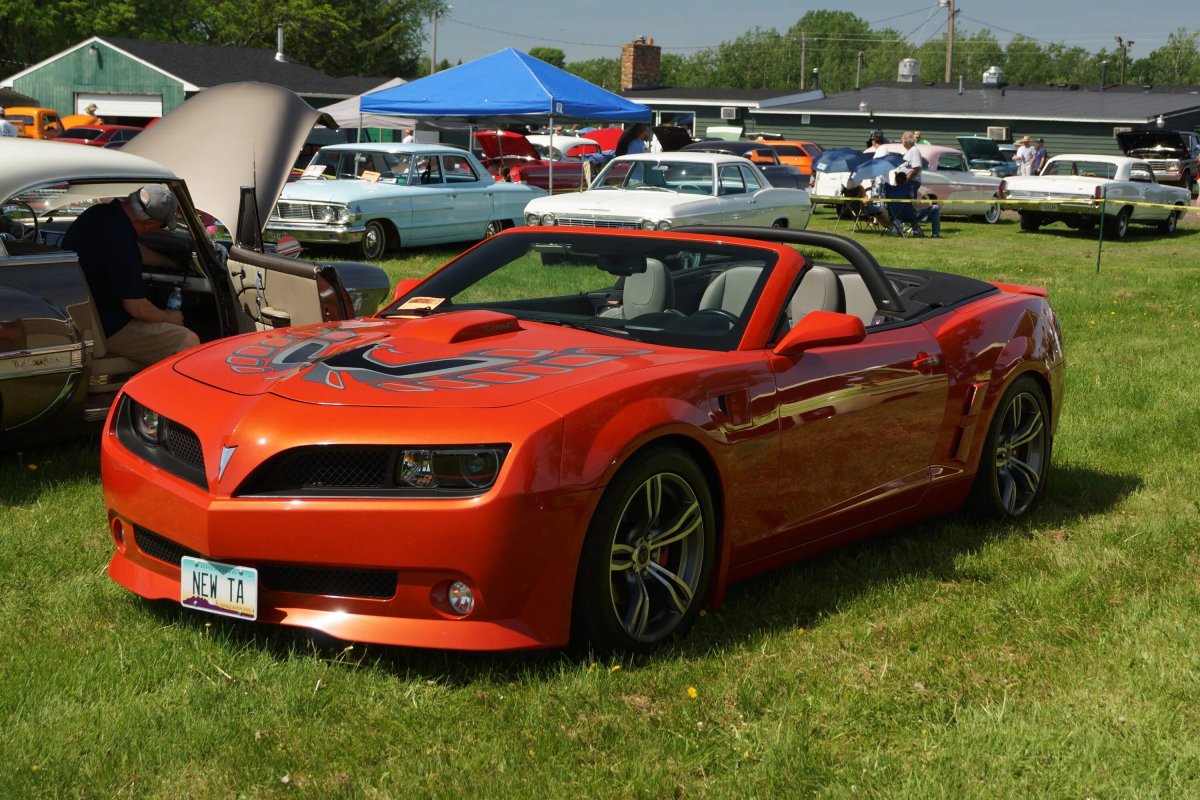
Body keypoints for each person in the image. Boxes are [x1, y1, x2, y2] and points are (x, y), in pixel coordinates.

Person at [62, 185, 199, 366]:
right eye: (162, 225)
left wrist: (170, 263)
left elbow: (134, 252)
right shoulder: (120, 240)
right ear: (150, 224)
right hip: (108, 327)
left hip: (80, 314)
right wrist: (169, 318)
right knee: (187, 340)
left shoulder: (100, 214)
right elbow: (137, 307)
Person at [881, 170, 941, 238]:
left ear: (896, 180)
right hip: (909, 215)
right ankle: (935, 234)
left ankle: (916, 230)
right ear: (906, 179)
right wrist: (927, 204)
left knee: (911, 211)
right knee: (935, 208)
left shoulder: (890, 190)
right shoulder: (908, 189)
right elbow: (913, 206)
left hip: (894, 216)